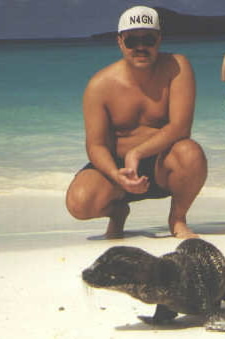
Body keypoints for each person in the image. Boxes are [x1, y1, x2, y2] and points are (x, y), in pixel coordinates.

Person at [65, 6, 207, 239]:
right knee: (79, 203)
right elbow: (96, 145)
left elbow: (181, 127)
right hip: (118, 170)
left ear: (159, 39)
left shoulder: (176, 67)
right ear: (120, 42)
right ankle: (118, 212)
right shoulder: (100, 86)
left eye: (148, 39)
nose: (141, 47)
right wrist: (116, 172)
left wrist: (137, 153)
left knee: (191, 153)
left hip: (163, 164)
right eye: (132, 41)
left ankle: (177, 219)